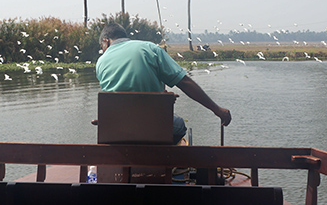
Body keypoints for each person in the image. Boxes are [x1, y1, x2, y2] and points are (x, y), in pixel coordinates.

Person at [96, 23, 231, 144]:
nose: (103, 49)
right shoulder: (149, 48)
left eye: (102, 47)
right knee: (179, 125)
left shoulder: (101, 62)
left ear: (106, 41)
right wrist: (217, 109)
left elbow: (116, 97)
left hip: (117, 130)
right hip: (153, 128)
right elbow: (184, 82)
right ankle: (161, 160)